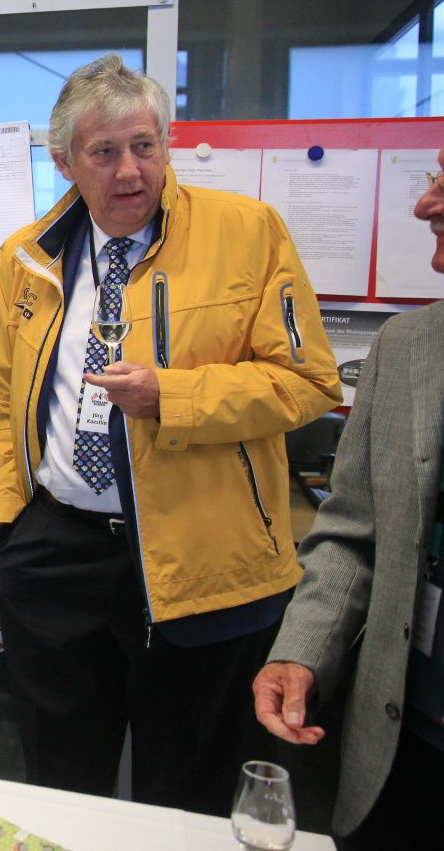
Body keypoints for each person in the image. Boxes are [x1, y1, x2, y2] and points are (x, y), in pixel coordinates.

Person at [0, 53, 341, 814]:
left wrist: (170, 397)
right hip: (56, 559)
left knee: (185, 798)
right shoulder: (27, 254)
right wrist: (10, 519)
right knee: (60, 791)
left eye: (144, 146)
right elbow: (9, 399)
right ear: (64, 162)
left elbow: (310, 381)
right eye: (104, 152)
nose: (129, 171)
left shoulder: (247, 231)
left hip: (203, 560)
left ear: (166, 143)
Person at [252, 148, 444, 847]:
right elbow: (352, 532)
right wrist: (301, 652)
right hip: (405, 741)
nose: (425, 204)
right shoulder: (408, 346)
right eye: (433, 179)